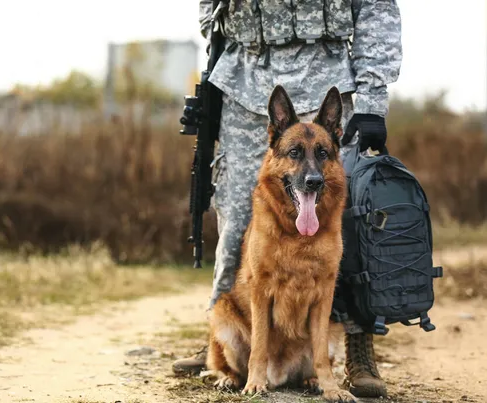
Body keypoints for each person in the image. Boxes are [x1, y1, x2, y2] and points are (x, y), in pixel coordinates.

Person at [172, 0, 402, 398]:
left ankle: (358, 346)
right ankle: (228, 344)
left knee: (344, 224)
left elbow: (376, 8)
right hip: (244, 75)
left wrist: (372, 98)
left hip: (326, 69)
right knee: (235, 220)